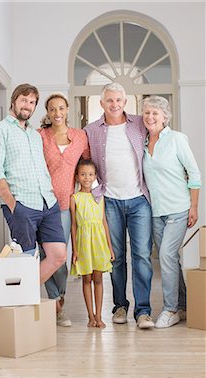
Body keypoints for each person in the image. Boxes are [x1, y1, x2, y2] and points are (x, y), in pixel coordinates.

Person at [84, 82, 154, 329]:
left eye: (118, 100)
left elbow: (159, 143)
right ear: (102, 103)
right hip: (109, 201)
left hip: (139, 200)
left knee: (142, 256)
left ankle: (143, 311)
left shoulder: (139, 124)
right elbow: (83, 164)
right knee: (116, 258)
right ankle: (120, 306)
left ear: (126, 102)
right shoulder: (91, 130)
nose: (114, 105)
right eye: (109, 100)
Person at [0, 83, 67, 286]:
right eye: (24, 100)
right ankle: (22, 305)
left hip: (47, 203)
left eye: (32, 102)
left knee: (58, 255)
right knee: (26, 258)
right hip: (22, 205)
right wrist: (14, 205)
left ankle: (24, 293)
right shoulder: (0, 130)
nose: (28, 106)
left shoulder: (35, 135)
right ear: (13, 101)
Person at [142, 95, 201, 328]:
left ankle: (170, 309)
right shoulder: (143, 142)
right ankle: (184, 304)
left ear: (165, 117)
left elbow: (194, 174)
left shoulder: (176, 139)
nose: (150, 117)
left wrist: (194, 206)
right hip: (156, 211)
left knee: (166, 255)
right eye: (147, 112)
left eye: (155, 113)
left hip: (178, 209)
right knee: (170, 259)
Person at [38, 92, 90, 326]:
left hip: (64, 204)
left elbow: (87, 165)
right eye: (52, 109)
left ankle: (60, 298)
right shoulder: (39, 136)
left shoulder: (80, 137)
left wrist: (88, 192)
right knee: (46, 255)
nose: (57, 113)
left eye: (61, 108)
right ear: (47, 113)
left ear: (67, 110)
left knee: (60, 256)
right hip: (40, 203)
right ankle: (54, 305)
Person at [70, 159, 115, 328]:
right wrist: (74, 250)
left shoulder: (99, 197)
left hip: (99, 244)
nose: (86, 178)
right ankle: (90, 316)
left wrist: (110, 248)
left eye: (90, 174)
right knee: (86, 280)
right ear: (77, 177)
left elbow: (104, 223)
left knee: (98, 280)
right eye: (83, 174)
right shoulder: (74, 199)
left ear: (95, 176)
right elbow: (73, 226)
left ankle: (99, 315)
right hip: (83, 245)